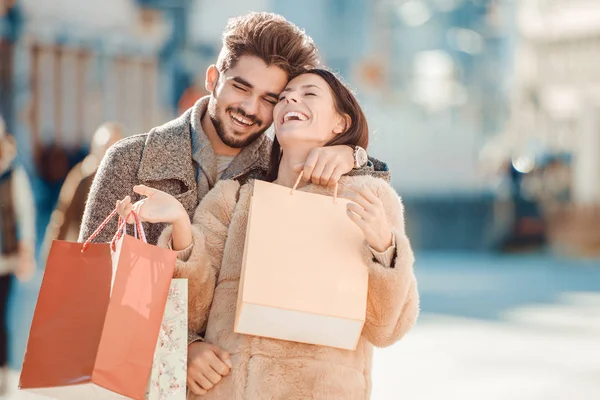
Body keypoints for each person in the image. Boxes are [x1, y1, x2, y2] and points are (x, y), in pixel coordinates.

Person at [117, 69, 419, 399]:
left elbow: (388, 328)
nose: (291, 98)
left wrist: (384, 248)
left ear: (340, 123)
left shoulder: (368, 199)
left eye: (309, 94)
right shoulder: (232, 199)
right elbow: (193, 310)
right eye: (285, 95)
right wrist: (179, 227)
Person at [41, 123, 123, 256]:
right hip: (86, 250)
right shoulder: (82, 176)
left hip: (117, 251)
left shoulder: (127, 176)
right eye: (105, 148)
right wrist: (51, 253)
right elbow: (63, 216)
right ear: (95, 149)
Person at [0, 117, 36, 393]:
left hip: (5, 260)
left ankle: (2, 372)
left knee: (1, 316)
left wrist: (26, 253)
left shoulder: (13, 173)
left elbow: (26, 215)